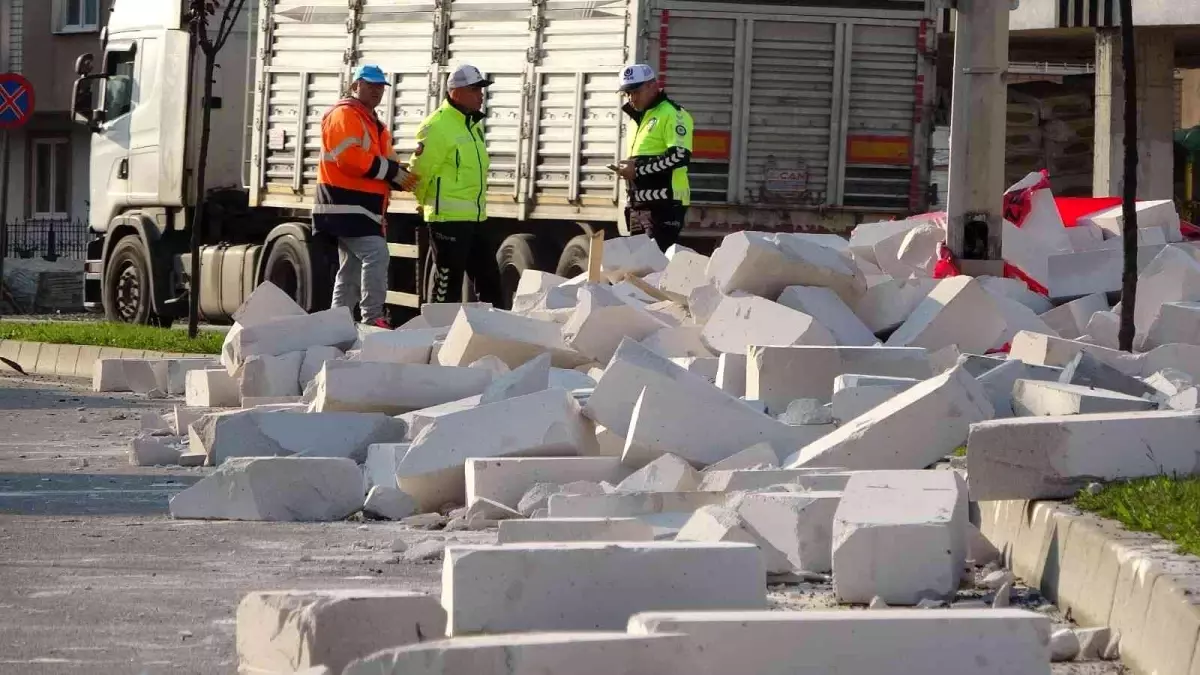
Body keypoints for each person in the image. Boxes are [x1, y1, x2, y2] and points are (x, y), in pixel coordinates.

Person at [314, 64, 418, 328]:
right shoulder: (345, 115)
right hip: (344, 206)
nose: (376, 91)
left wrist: (401, 175)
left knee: (349, 270)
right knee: (376, 254)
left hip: (358, 208)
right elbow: (348, 158)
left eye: (380, 86)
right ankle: (372, 318)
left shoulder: (374, 124)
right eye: (370, 85)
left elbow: (386, 162)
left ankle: (337, 324)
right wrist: (392, 172)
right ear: (355, 86)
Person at [408, 64, 500, 304]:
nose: (481, 95)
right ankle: (439, 336)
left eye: (482, 90)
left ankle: (495, 337)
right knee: (447, 288)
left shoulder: (473, 126)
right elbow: (419, 173)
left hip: (475, 218)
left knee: (491, 283)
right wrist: (424, 204)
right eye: (475, 90)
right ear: (456, 92)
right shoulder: (436, 126)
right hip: (447, 221)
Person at [615, 64, 694, 252]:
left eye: (636, 91)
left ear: (653, 86)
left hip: (665, 205)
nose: (632, 98)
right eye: (627, 93)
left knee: (654, 269)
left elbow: (679, 156)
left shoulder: (673, 114)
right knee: (638, 269)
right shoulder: (636, 119)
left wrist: (638, 169)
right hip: (638, 206)